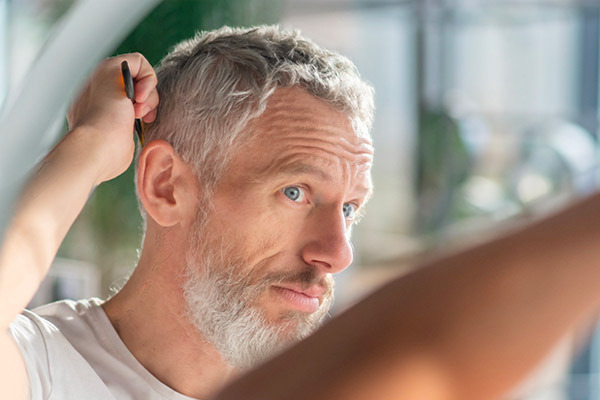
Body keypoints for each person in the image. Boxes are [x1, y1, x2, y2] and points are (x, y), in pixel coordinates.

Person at [2, 24, 600, 400]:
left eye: (351, 209)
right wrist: (87, 147)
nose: (336, 253)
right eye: (296, 193)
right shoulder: (43, 369)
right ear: (165, 186)